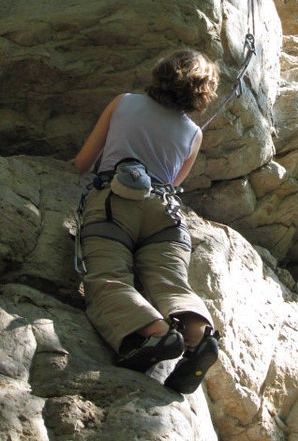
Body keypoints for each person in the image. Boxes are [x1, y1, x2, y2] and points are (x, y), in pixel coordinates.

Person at [74, 50, 220, 394]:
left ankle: (156, 332)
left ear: (161, 72)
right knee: (171, 283)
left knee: (108, 276)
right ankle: (199, 338)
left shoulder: (123, 102)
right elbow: (172, 182)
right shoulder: (194, 134)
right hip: (166, 216)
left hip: (115, 201)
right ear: (201, 92)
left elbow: (83, 161)